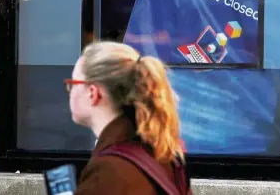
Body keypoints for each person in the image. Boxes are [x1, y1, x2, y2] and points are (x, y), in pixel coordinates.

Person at [65, 41, 191, 194]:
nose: (70, 91)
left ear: (93, 93)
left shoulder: (107, 174)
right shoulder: (162, 154)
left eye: (73, 83)